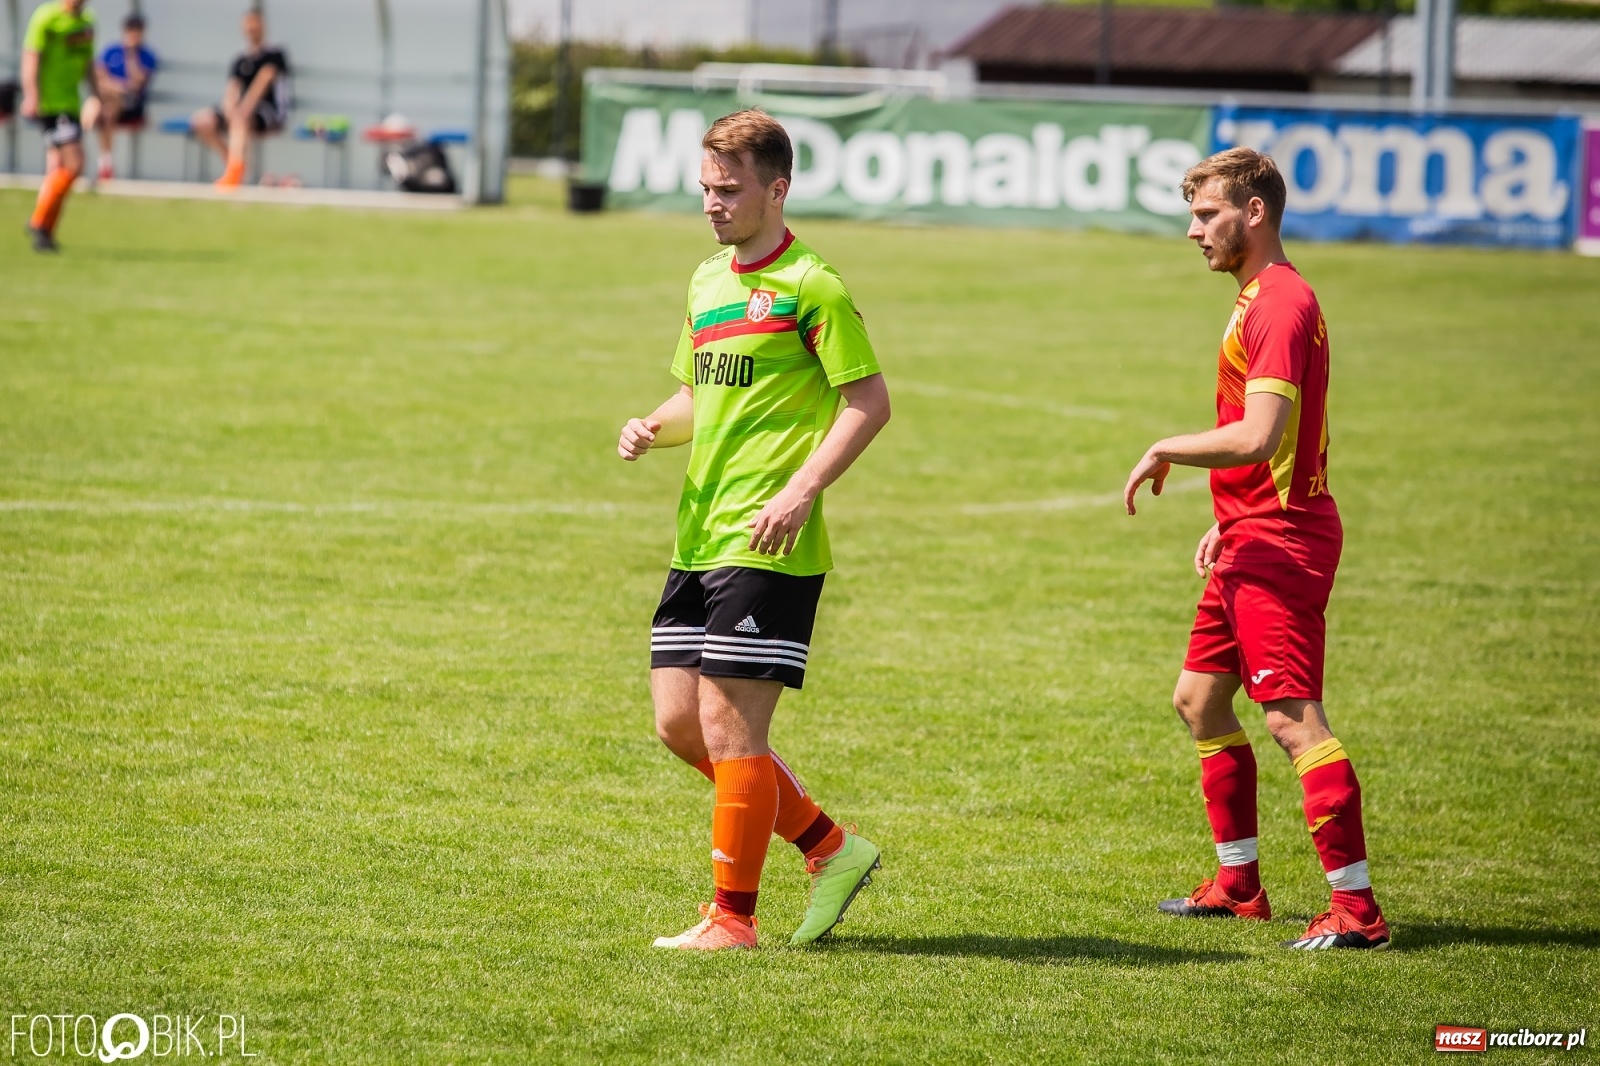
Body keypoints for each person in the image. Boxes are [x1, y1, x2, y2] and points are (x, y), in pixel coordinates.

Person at [617, 109, 893, 951]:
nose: (713, 203)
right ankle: (831, 847)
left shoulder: (815, 285)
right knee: (680, 725)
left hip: (766, 538)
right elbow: (696, 395)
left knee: (734, 727)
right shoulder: (707, 282)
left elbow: (868, 402)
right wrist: (649, 425)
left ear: (777, 189)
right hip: (697, 534)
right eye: (705, 188)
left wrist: (803, 488)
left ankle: (731, 920)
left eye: (729, 190)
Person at [1122, 147, 1389, 951]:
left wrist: (1168, 445)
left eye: (1208, 215)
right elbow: (1289, 441)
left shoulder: (1277, 303)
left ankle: (1358, 912)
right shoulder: (1258, 296)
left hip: (1281, 542)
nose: (1194, 230)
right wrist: (1229, 511)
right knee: (1199, 700)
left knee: (1292, 719)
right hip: (1253, 528)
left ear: (1255, 212)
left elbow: (1260, 433)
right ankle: (1239, 885)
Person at [19, 0, 97, 253]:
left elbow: (88, 63)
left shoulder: (86, 22)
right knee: (74, 164)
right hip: (52, 104)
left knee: (58, 168)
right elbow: (32, 58)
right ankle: (39, 221)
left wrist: (95, 95)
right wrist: (31, 95)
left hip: (71, 103)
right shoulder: (46, 17)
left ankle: (45, 230)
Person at [189, 8, 290, 189]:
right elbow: (232, 88)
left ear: (262, 26)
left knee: (240, 118)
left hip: (268, 111)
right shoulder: (240, 58)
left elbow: (263, 82)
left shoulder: (275, 53)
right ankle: (231, 159)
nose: (251, 29)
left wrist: (243, 108)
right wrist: (229, 107)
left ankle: (233, 175)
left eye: (254, 25)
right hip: (241, 111)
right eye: (247, 25)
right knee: (201, 121)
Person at [83, 12, 157, 182]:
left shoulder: (147, 56)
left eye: (137, 31)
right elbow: (99, 78)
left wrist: (130, 55)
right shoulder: (111, 50)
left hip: (132, 105)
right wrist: (119, 87)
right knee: (105, 108)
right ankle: (104, 163)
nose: (134, 35)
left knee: (101, 106)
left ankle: (97, 159)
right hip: (108, 102)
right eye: (131, 31)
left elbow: (137, 84)